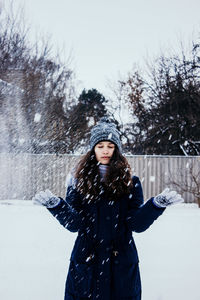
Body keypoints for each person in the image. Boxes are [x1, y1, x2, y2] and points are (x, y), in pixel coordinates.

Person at [33, 117, 183, 300]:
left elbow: (136, 224)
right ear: (93, 149)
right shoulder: (78, 183)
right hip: (87, 263)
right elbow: (74, 223)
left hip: (120, 264)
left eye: (110, 146)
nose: (105, 151)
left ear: (117, 149)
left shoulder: (131, 183)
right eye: (100, 146)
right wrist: (57, 206)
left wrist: (155, 205)